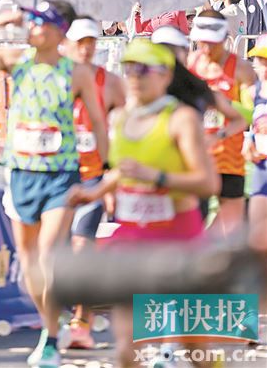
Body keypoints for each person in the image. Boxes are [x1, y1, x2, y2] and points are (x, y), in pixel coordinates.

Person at [0, 1, 108, 368]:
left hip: (60, 175)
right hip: (22, 173)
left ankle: (50, 340)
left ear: (58, 31)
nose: (32, 28)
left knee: (49, 253)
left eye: (41, 23)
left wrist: (103, 175)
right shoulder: (15, 59)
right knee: (29, 268)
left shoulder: (76, 72)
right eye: (31, 22)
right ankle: (53, 323)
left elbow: (99, 123)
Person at [67, 38, 219, 368]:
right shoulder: (121, 118)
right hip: (132, 237)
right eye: (129, 69)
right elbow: (124, 169)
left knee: (196, 349)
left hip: (178, 237)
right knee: (126, 348)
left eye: (143, 69)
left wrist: (158, 177)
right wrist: (94, 192)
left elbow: (208, 183)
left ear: (165, 75)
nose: (134, 76)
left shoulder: (181, 119)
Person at [64, 17, 125, 351]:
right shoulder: (57, 78)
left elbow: (124, 129)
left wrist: (113, 178)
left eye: (91, 41)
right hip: (57, 176)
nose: (86, 48)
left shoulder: (110, 82)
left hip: (93, 177)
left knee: (81, 247)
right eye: (80, 42)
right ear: (68, 45)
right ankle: (60, 315)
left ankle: (81, 320)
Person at [188, 10, 255, 235]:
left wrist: (222, 104)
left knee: (231, 227)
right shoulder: (191, 64)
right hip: (197, 157)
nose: (207, 48)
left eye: (213, 43)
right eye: (202, 42)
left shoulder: (241, 69)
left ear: (225, 38)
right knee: (194, 223)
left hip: (229, 158)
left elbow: (250, 113)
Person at [246, 37, 267, 256]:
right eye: (260, 61)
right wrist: (249, 141)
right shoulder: (256, 91)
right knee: (257, 237)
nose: (264, 67)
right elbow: (255, 121)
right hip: (262, 167)